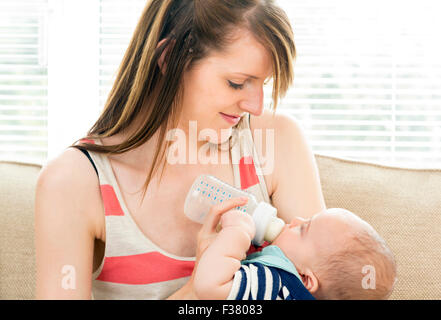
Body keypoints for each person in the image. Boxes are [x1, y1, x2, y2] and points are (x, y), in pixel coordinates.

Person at [35, 0, 326, 299]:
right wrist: (198, 290)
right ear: (169, 57)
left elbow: (329, 284)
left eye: (264, 83)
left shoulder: (277, 143)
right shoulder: (73, 184)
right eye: (237, 83)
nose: (256, 106)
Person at [193, 206, 397, 300]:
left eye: (303, 229)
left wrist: (236, 231)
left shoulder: (276, 284)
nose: (296, 219)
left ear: (305, 278)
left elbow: (209, 286)